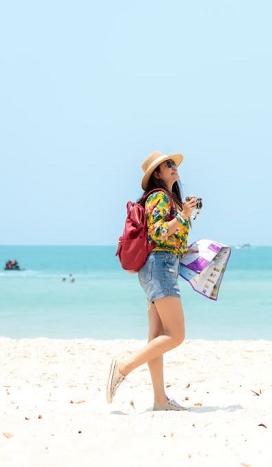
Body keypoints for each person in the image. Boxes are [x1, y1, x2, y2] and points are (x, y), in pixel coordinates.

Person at [106, 151, 199, 411]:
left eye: (173, 163)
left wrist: (186, 248)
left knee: (157, 337)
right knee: (176, 335)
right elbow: (158, 232)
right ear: (157, 173)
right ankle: (124, 367)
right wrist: (184, 215)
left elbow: (164, 237)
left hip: (159, 265)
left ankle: (159, 400)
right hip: (160, 267)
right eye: (167, 165)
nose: (173, 167)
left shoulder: (168, 199)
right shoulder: (159, 196)